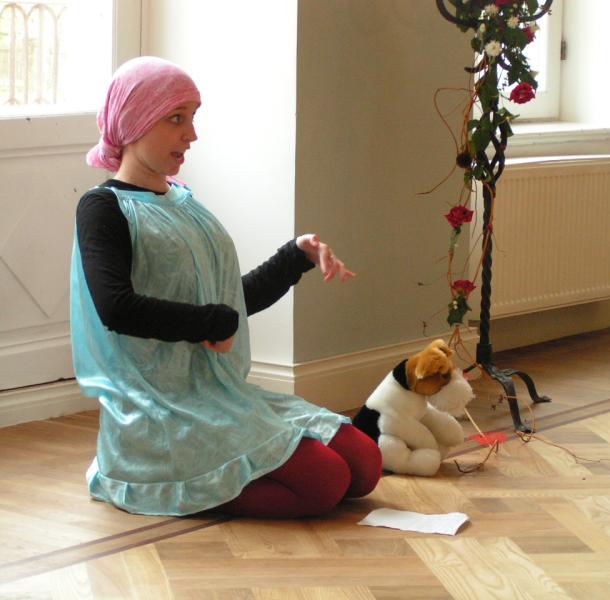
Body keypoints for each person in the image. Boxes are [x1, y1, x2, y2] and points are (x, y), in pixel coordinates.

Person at [70, 56, 382, 518]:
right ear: (134, 120)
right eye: (176, 118)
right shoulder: (102, 208)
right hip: (158, 409)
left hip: (217, 395)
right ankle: (147, 480)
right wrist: (211, 322)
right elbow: (116, 308)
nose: (191, 135)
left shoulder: (184, 202)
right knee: (327, 481)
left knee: (365, 464)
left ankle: (233, 475)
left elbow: (227, 306)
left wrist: (294, 257)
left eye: (193, 118)